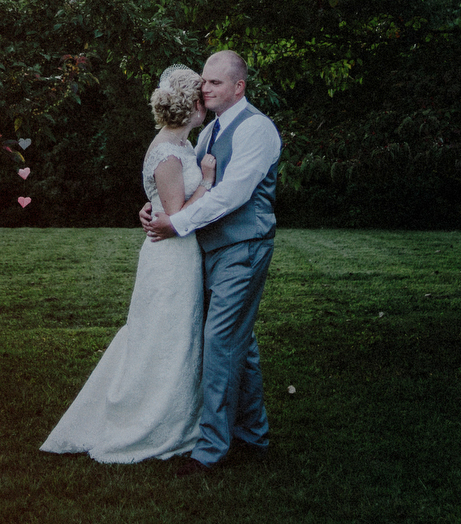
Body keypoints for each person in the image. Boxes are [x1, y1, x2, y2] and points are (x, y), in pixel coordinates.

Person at [40, 65, 217, 462]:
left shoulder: (182, 146)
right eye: (200, 102)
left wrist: (155, 205)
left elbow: (162, 205)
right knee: (163, 334)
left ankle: (183, 413)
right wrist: (206, 182)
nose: (205, 107)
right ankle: (151, 420)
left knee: (175, 333)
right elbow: (174, 219)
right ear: (191, 107)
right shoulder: (170, 153)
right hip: (171, 257)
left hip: (179, 255)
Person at [141, 50, 281, 475]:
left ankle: (210, 450)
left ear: (239, 86)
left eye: (215, 83)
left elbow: (230, 195)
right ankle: (253, 434)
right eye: (204, 81)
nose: (205, 88)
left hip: (245, 247)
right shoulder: (208, 132)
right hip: (207, 250)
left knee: (220, 341)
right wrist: (152, 211)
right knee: (242, 343)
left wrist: (176, 224)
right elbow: (184, 188)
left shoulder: (257, 129)